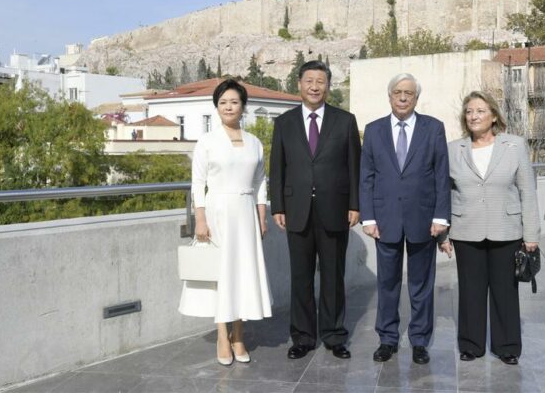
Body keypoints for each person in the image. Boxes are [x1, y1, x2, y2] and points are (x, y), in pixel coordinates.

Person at [439, 90, 540, 365]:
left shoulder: (514, 145)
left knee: (505, 291)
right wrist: (444, 235)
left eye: (480, 110)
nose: (474, 116)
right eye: (469, 111)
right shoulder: (453, 149)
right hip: (465, 229)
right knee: (470, 291)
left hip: (506, 229)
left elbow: (527, 191)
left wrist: (531, 235)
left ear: (493, 115)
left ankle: (507, 347)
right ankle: (471, 345)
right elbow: (443, 193)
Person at [270, 60, 361, 360]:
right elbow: (278, 168)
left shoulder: (345, 120)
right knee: (301, 278)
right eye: (309, 80)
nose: (314, 86)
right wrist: (278, 206)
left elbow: (354, 167)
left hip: (335, 209)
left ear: (328, 86)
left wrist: (354, 205)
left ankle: (335, 336)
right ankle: (303, 337)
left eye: (320, 81)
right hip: (296, 211)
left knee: (334, 277)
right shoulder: (283, 123)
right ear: (299, 84)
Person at [179, 79, 272, 366]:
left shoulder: (254, 142)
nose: (229, 106)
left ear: (242, 106)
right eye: (223, 102)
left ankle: (239, 335)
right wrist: (201, 219)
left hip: (246, 213)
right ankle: (222, 334)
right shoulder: (206, 142)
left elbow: (260, 182)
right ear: (217, 107)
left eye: (234, 101)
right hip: (218, 212)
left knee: (244, 273)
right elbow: (198, 183)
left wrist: (261, 214)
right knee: (221, 275)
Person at [359, 73, 451, 365]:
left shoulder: (433, 128)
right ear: (389, 96)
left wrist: (441, 218)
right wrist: (368, 218)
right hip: (385, 220)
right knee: (387, 283)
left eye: (408, 93)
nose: (402, 97)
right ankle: (387, 338)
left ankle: (420, 341)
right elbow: (367, 177)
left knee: (421, 284)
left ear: (416, 98)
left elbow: (440, 175)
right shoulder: (373, 130)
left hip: (423, 219)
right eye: (397, 92)